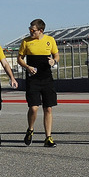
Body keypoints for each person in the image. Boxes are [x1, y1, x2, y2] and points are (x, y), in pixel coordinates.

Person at [17, 19, 59, 147]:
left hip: (46, 78)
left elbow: (56, 55)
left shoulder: (50, 40)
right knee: (34, 108)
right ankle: (30, 129)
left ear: (41, 31)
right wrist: (27, 66)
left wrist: (54, 61)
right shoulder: (26, 42)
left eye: (33, 30)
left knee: (48, 108)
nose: (30, 31)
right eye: (29, 29)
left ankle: (48, 137)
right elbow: (19, 58)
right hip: (32, 79)